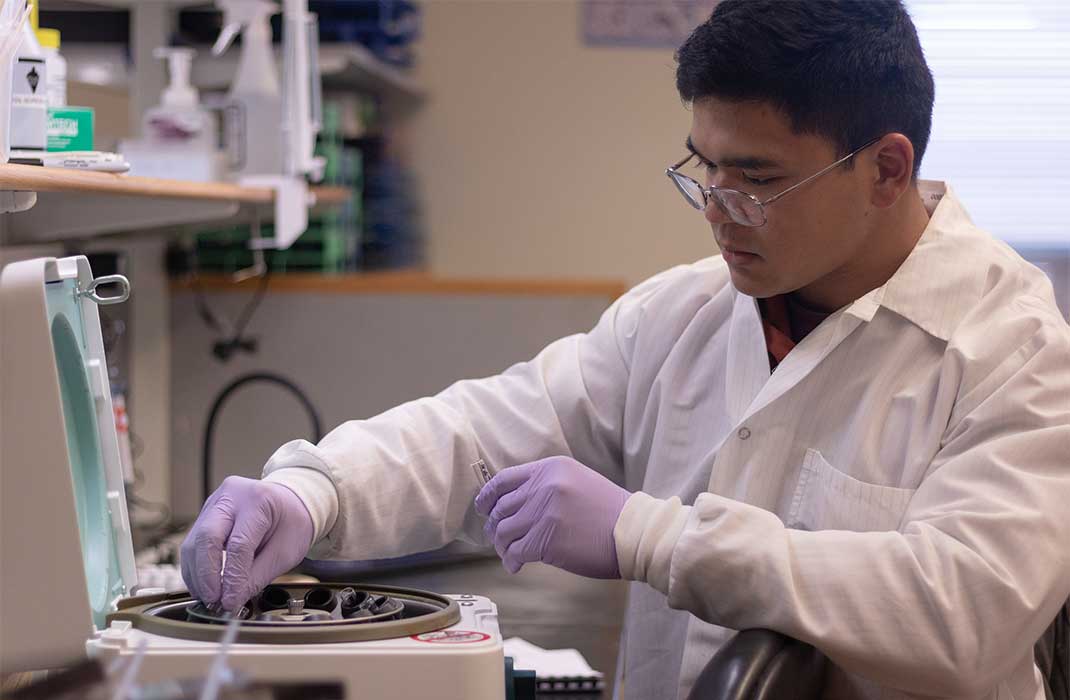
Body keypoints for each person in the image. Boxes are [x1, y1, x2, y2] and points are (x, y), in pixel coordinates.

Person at [181, 1, 1070, 697]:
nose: (718, 208)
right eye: (702, 167)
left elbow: (963, 612)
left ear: (885, 167)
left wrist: (648, 536)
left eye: (756, 177)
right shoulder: (683, 314)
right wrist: (310, 492)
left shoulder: (1013, 346)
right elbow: (485, 429)